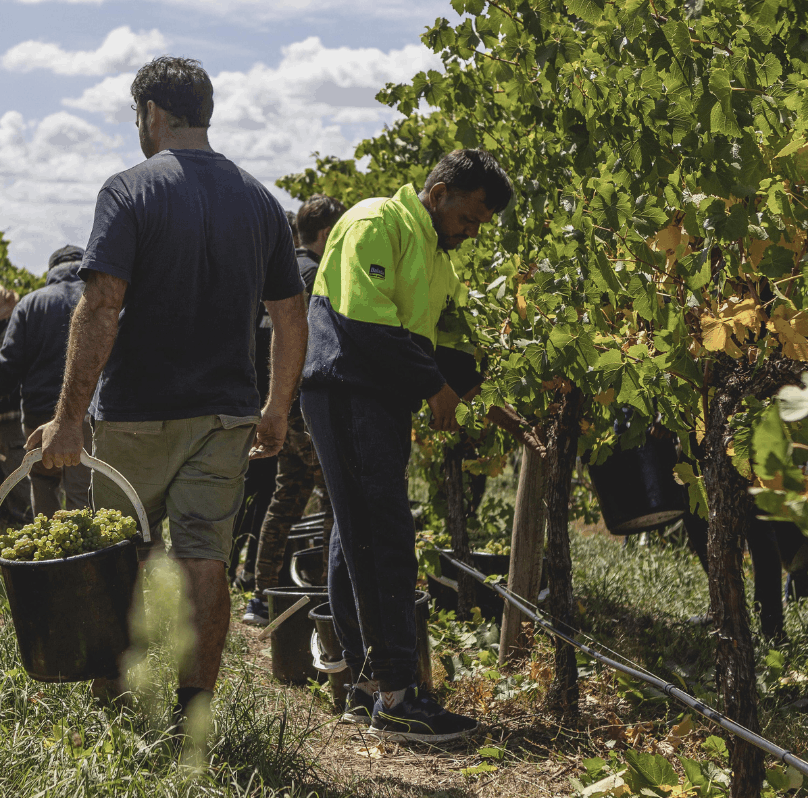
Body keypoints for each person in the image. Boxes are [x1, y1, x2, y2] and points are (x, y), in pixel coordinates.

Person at [32, 56, 307, 728]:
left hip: (135, 417)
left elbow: (99, 307)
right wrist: (275, 408)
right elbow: (291, 315)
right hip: (226, 416)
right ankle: (195, 718)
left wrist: (68, 421)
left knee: (117, 560)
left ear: (153, 114)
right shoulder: (260, 201)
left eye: (137, 117)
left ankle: (115, 712)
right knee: (204, 563)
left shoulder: (129, 191)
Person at [301, 149, 512, 743]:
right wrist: (436, 389)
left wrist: (487, 399)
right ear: (439, 192)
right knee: (383, 533)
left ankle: (367, 684)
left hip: (378, 398)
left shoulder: (439, 260)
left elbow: (448, 347)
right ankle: (398, 695)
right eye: (469, 217)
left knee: (357, 531)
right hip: (348, 387)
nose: (471, 233)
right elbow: (366, 327)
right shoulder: (377, 223)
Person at [241, 195, 346, 625]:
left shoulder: (277, 274)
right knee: (333, 500)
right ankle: (327, 601)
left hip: (277, 405)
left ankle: (261, 598)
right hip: (306, 408)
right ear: (326, 235)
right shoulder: (319, 278)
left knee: (287, 496)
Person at [0, 246, 92, 522]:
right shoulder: (97, 298)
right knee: (80, 492)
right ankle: (83, 559)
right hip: (84, 413)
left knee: (43, 483)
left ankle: (49, 558)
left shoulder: (30, 304)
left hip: (38, 415)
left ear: (51, 272)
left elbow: (7, 363)